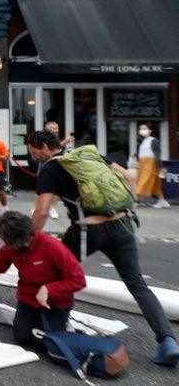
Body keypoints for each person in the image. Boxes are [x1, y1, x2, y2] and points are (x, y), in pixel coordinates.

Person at [28, 130, 179, 366]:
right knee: (137, 284)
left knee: (55, 273)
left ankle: (54, 328)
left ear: (45, 146)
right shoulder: (89, 155)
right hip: (122, 224)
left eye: (34, 150)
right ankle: (167, 341)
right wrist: (132, 204)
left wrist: (32, 240)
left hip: (88, 231)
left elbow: (42, 211)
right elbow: (129, 176)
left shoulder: (51, 168)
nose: (33, 155)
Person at [0, 211, 85, 350]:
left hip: (56, 301)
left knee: (43, 342)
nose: (4, 243)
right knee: (22, 337)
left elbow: (79, 280)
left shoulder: (52, 246)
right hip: (28, 298)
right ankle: (50, 325)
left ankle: (65, 327)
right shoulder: (10, 249)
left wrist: (49, 289)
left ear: (16, 239)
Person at [136, 123, 169, 208]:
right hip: (143, 164)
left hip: (150, 164)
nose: (142, 130)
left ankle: (136, 200)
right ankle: (162, 200)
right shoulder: (143, 141)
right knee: (154, 184)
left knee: (143, 182)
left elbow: (157, 154)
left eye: (144, 128)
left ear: (150, 130)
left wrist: (160, 166)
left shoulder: (153, 140)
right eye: (140, 129)